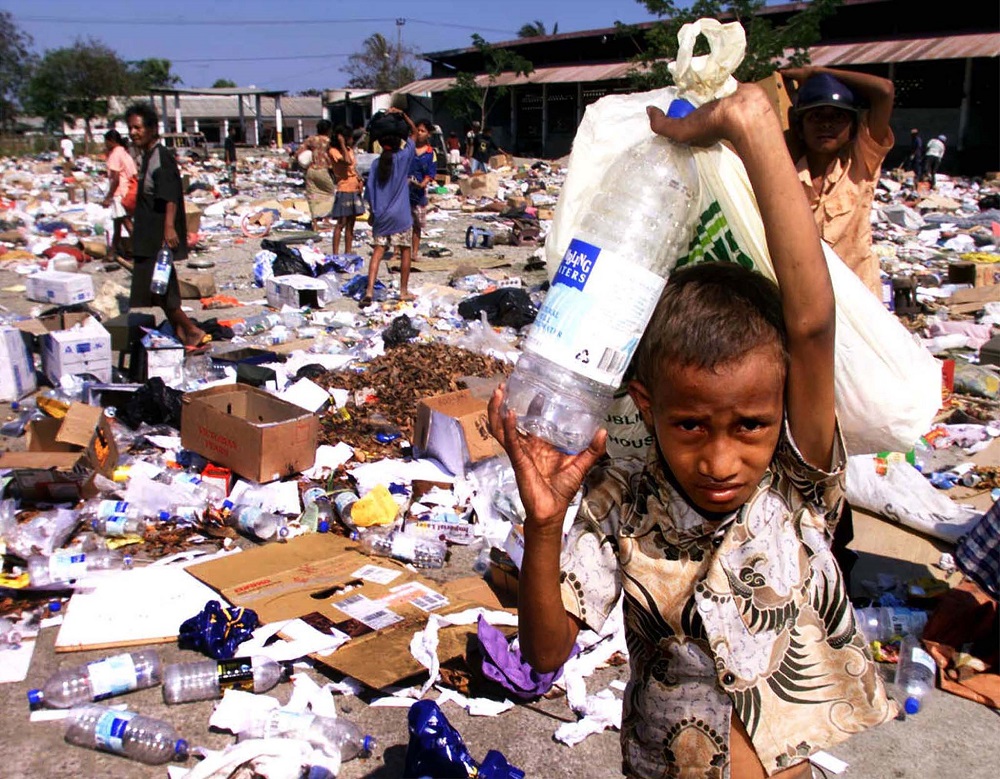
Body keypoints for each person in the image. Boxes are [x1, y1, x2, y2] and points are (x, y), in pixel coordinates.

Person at [488, 84, 895, 779]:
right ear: (645, 405)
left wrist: (754, 126)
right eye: (690, 424)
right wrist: (545, 523)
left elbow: (812, 323)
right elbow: (546, 654)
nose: (720, 458)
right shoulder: (621, 501)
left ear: (782, 411)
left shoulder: (793, 484)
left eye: (750, 425)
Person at [781, 66, 895, 298]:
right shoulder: (786, 174)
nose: (826, 124)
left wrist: (815, 72)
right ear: (800, 129)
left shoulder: (861, 164)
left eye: (837, 117)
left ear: (852, 128)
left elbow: (884, 91)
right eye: (816, 117)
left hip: (858, 295)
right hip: (807, 299)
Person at [124, 102, 209, 349]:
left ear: (151, 128)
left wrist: (169, 228)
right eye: (131, 128)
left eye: (138, 127)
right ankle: (183, 330)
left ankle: (191, 330)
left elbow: (169, 194)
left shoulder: (160, 156)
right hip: (148, 233)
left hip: (158, 235)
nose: (134, 132)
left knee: (162, 286)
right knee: (156, 286)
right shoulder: (148, 156)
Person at [361, 108, 417, 307]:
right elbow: (414, 135)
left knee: (377, 252)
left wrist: (372, 214)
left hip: (381, 216)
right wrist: (403, 115)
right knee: (404, 252)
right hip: (401, 216)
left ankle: (369, 291)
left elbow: (369, 190)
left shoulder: (376, 164)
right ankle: (403, 291)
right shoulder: (402, 159)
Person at [100, 129, 137, 262]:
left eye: (106, 142)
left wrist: (108, 197)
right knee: (118, 223)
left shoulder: (115, 154)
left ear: (111, 141)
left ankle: (140, 251)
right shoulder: (125, 153)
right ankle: (112, 253)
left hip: (119, 193)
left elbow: (115, 178)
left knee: (127, 223)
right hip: (128, 191)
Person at [329, 124, 365, 256]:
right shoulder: (334, 151)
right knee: (341, 223)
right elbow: (347, 162)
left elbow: (353, 168)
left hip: (354, 188)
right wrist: (342, 144)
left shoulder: (349, 149)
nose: (351, 140)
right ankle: (335, 253)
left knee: (351, 223)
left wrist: (360, 180)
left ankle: (348, 250)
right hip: (344, 188)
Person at [408, 119, 437, 261]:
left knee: (417, 225)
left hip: (419, 194)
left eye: (422, 131)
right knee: (402, 225)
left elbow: (431, 173)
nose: (419, 133)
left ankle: (414, 253)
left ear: (428, 134)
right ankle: (397, 252)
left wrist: (422, 183)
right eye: (417, 130)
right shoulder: (408, 148)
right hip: (404, 192)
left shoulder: (431, 153)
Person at [300, 119, 336, 232]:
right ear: (329, 130)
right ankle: (325, 218)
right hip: (323, 170)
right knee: (329, 194)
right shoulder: (330, 141)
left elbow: (299, 152)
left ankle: (315, 223)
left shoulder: (311, 140)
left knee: (312, 195)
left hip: (311, 170)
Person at [223, 126, 238, 192]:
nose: (234, 132)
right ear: (230, 131)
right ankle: (230, 185)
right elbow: (227, 150)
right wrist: (228, 159)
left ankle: (234, 184)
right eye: (233, 130)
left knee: (234, 171)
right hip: (230, 159)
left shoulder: (232, 139)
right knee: (230, 172)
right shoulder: (227, 139)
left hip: (233, 158)